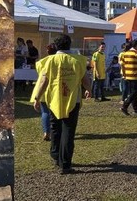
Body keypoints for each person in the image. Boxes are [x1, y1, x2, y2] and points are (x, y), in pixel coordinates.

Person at [32, 34, 92, 174]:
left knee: (55, 128)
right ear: (69, 45)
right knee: (68, 131)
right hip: (73, 100)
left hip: (55, 100)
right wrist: (88, 90)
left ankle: (55, 155)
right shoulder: (78, 60)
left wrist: (37, 97)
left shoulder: (50, 60)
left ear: (56, 46)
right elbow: (85, 79)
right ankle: (65, 164)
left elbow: (43, 81)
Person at [31, 43, 58, 141]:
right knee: (55, 111)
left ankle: (46, 132)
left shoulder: (41, 62)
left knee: (45, 112)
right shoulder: (59, 61)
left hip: (42, 88)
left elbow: (40, 74)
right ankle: (54, 130)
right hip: (54, 88)